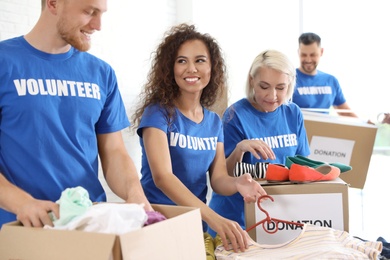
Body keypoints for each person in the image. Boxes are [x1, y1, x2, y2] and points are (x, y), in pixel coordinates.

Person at [0, 0, 153, 228]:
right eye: (89, 12)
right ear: (53, 3)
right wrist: (23, 203)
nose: (98, 25)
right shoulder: (5, 62)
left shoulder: (102, 73)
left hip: (87, 225)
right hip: (20, 229)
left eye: (101, 14)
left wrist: (135, 194)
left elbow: (114, 152)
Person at [131, 23, 266, 253]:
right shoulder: (158, 113)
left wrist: (236, 183)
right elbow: (163, 177)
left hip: (194, 226)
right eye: (181, 61)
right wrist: (215, 218)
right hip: (157, 223)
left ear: (212, 68)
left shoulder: (214, 122)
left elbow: (218, 179)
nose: (191, 68)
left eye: (200, 60)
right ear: (169, 69)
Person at [208, 49, 311, 236]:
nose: (272, 96)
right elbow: (221, 177)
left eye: (281, 88)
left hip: (275, 219)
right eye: (264, 86)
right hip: (235, 221)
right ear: (251, 81)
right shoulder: (235, 116)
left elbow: (301, 166)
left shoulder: (293, 113)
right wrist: (240, 149)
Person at [292, 32, 359, 118]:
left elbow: (345, 112)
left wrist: (365, 124)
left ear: (321, 52)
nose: (308, 60)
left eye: (313, 55)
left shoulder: (331, 81)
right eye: (304, 55)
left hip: (324, 130)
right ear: (298, 52)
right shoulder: (288, 79)